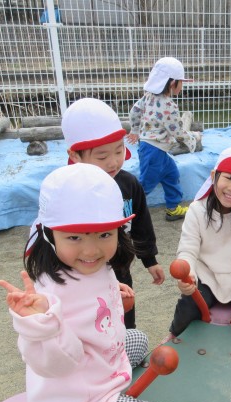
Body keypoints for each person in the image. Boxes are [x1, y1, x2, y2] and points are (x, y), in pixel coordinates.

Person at [0, 164, 181, 402]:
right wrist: (42, 324)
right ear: (48, 234)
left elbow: (91, 294)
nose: (92, 250)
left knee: (137, 339)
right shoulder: (48, 296)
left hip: (94, 371)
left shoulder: (89, 266)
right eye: (74, 237)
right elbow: (56, 365)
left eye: (105, 234)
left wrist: (112, 293)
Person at [62, 97, 165, 329]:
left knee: (124, 324)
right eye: (102, 156)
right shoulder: (67, 191)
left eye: (119, 151)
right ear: (75, 155)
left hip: (120, 270)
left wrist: (150, 260)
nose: (113, 162)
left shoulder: (128, 184)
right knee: (89, 327)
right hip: (82, 276)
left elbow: (141, 224)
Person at [163, 145, 231, 352]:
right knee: (189, 304)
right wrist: (188, 274)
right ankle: (175, 335)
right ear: (214, 176)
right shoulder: (197, 209)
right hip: (207, 272)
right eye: (229, 178)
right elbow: (188, 249)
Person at [127, 56, 202, 221]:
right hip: (154, 151)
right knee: (146, 184)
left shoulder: (148, 96)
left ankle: (173, 208)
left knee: (171, 174)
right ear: (172, 83)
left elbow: (134, 111)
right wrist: (194, 138)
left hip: (154, 149)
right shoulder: (169, 106)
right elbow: (177, 132)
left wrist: (135, 129)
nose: (182, 86)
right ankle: (125, 213)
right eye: (181, 82)